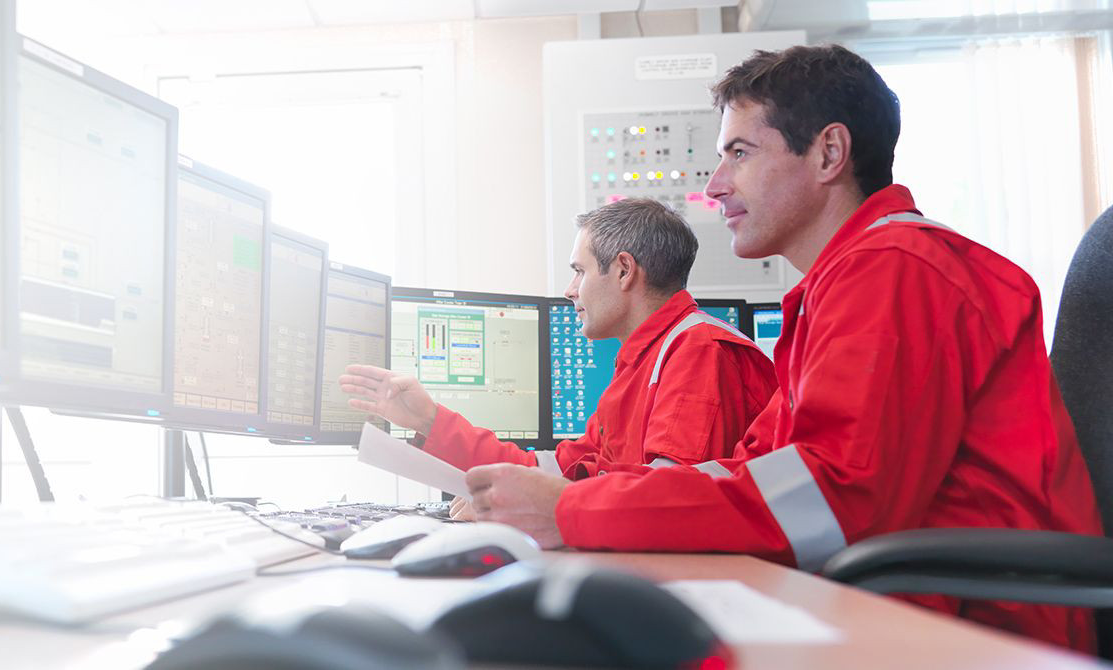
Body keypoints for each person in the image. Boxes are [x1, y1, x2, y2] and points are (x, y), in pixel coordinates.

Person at [453, 44, 1102, 652]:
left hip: (974, 632)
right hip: (901, 605)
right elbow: (753, 470)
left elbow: (826, 499)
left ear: (828, 154)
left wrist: (572, 512)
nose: (714, 186)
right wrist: (579, 509)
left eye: (739, 153)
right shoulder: (841, 288)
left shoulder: (899, 272)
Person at [343, 198, 777, 518]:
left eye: (580, 271)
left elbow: (663, 505)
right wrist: (429, 420)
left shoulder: (698, 352)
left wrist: (518, 505)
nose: (570, 290)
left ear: (624, 271)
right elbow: (549, 469)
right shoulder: (646, 362)